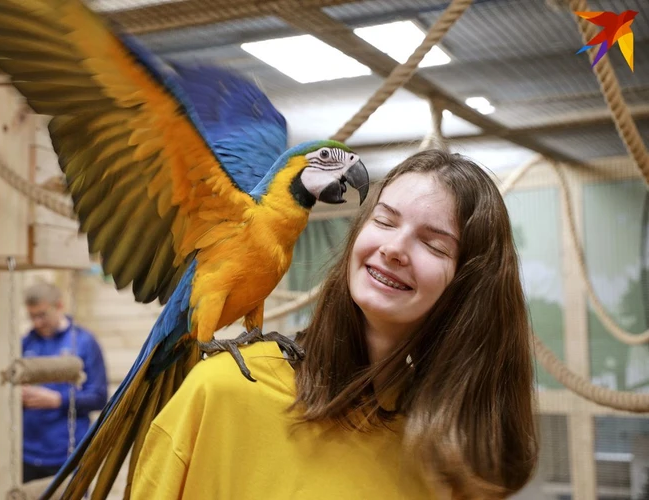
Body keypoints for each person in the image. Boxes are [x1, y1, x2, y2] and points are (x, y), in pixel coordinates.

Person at [130, 149, 538, 499]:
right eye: (384, 220)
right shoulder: (224, 390)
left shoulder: (456, 448)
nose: (394, 248)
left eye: (433, 243)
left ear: (468, 284)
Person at [21, 282, 109, 483]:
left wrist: (57, 400)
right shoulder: (26, 343)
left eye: (42, 315)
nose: (37, 323)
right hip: (28, 452)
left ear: (59, 306)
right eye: (32, 316)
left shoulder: (85, 342)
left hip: (67, 452)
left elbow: (99, 397)